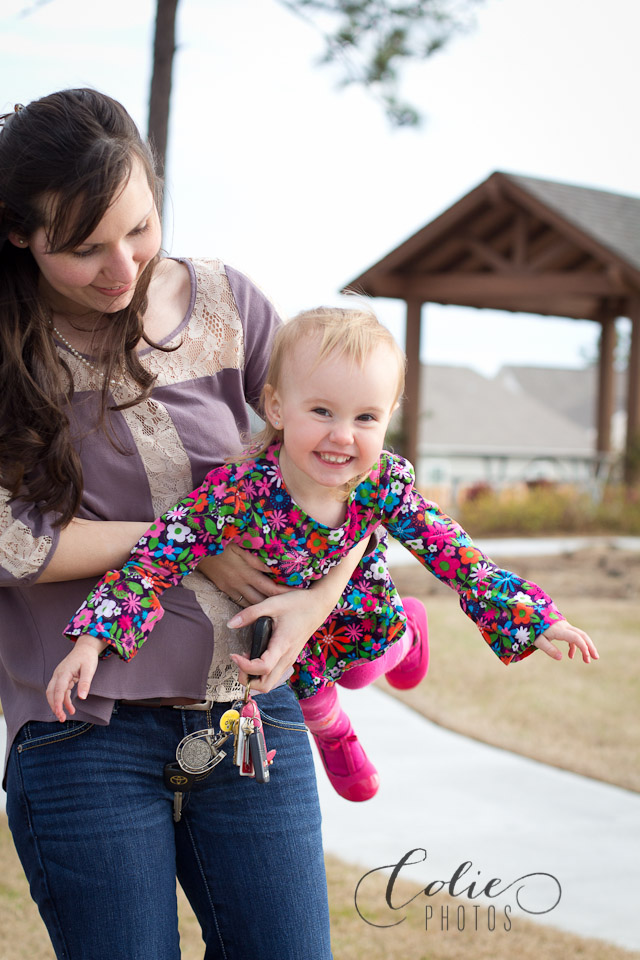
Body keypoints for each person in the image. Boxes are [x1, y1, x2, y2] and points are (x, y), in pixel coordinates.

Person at [0, 88, 368, 960]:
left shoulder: (227, 302)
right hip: (80, 726)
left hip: (249, 713)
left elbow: (356, 463)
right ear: (19, 233)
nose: (121, 266)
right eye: (83, 249)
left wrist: (321, 600)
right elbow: (10, 543)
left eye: (139, 227)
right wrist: (184, 539)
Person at [49, 306, 599, 808]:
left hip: (358, 603)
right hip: (287, 617)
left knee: (362, 671)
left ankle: (409, 629)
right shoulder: (239, 492)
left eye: (366, 418)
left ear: (388, 420)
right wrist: (93, 640)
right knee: (302, 682)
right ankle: (336, 736)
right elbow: (158, 556)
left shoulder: (381, 482)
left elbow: (454, 554)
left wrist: (537, 618)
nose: (343, 436)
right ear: (277, 407)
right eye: (322, 411)